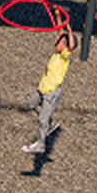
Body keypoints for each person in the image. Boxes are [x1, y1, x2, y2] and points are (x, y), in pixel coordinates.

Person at [23, 25, 77, 154]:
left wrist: (69, 30)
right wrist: (58, 15)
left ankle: (40, 144)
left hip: (51, 93)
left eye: (59, 43)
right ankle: (51, 123)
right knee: (31, 104)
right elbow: (59, 32)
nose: (56, 43)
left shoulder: (64, 57)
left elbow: (71, 45)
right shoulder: (56, 54)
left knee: (42, 119)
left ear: (65, 47)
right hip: (42, 90)